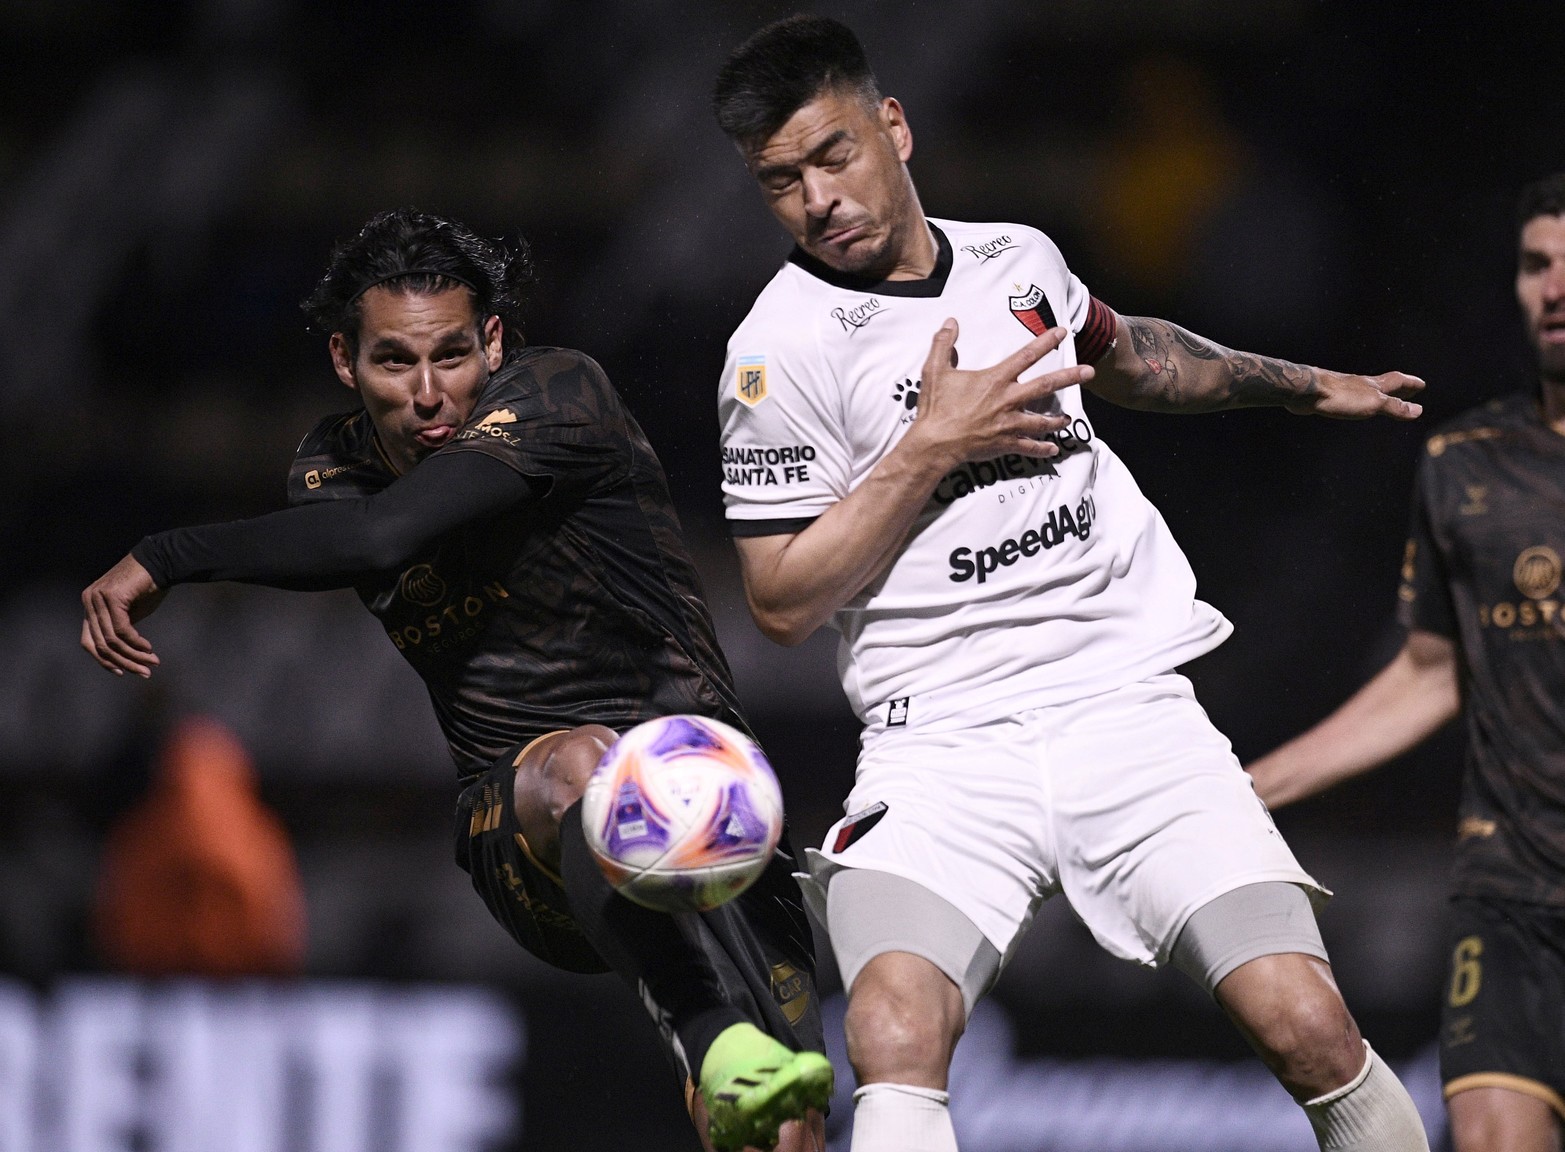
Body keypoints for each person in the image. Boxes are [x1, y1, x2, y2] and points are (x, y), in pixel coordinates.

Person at [710, 15, 1431, 1152]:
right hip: (940, 741)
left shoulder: (1016, 258)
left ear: (891, 127)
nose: (817, 199)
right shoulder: (775, 353)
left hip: (1124, 706)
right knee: (891, 1032)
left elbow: (1129, 353)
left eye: (832, 156)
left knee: (1306, 1027)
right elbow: (782, 601)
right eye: (780, 181)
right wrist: (929, 447)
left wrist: (1296, 386)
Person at [79, 208, 833, 1152]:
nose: (431, 394)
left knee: (786, 1128)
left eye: (453, 356)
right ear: (345, 364)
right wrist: (170, 552)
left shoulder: (564, 393)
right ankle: (710, 1037)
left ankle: (726, 1073)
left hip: (710, 790)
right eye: (396, 362)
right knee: (588, 769)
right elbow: (368, 529)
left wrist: (164, 554)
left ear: (495, 342)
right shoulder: (330, 470)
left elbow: (382, 538)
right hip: (518, 823)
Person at [1248, 174, 1565, 1152]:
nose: (1552, 287)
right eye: (1533, 264)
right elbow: (1431, 671)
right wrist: (1242, 787)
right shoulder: (1463, 465)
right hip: (1509, 894)